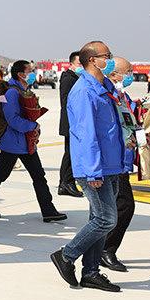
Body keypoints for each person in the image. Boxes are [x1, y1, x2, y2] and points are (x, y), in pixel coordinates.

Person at [50, 42, 124, 292]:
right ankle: (67, 255)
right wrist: (92, 170)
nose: (111, 60)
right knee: (106, 219)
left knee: (99, 218)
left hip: (111, 164)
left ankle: (91, 272)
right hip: (95, 167)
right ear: (93, 60)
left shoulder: (104, 86)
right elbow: (85, 133)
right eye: (107, 56)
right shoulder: (83, 91)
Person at [0, 60, 66, 222]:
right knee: (1, 174)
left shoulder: (24, 89)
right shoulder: (12, 93)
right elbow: (12, 119)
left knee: (38, 175)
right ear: (20, 74)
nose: (32, 74)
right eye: (29, 71)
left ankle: (48, 210)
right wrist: (33, 125)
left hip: (25, 142)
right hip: (13, 142)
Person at [102, 57, 138, 272]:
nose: (131, 75)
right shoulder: (109, 96)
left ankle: (102, 250)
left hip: (123, 158)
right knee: (124, 206)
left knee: (116, 207)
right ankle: (105, 250)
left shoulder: (121, 95)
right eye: (128, 72)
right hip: (113, 161)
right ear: (114, 75)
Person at [58, 51, 84, 198]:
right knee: (70, 154)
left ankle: (66, 182)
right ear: (71, 64)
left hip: (73, 122)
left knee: (71, 153)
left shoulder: (76, 77)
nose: (81, 67)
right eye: (79, 64)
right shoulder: (69, 78)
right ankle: (67, 182)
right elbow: (67, 102)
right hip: (71, 122)